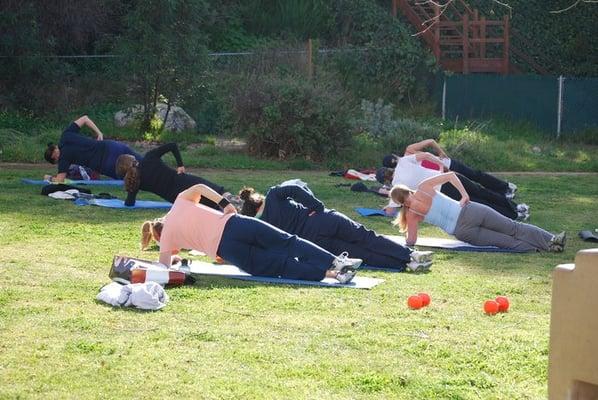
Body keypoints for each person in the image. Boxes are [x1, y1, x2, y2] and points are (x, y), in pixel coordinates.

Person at [155, 184, 363, 284]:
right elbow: (199, 188)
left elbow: (163, 268)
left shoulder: (166, 238)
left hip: (227, 249)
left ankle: (335, 275)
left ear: (160, 233)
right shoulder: (180, 201)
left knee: (278, 266)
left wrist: (172, 259)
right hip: (236, 224)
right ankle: (337, 262)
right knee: (289, 242)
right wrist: (225, 204)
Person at [238, 183, 433, 271]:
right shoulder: (273, 195)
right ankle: (409, 255)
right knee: (366, 237)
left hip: (314, 241)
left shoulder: (262, 225)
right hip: (323, 220)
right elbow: (296, 189)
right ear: (258, 199)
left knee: (361, 254)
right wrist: (316, 206)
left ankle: (405, 264)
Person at [389, 172, 566, 252]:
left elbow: (412, 241)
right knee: (513, 228)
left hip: (463, 230)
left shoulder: (411, 214)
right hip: (470, 211)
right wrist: (464, 195)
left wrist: (405, 239)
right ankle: (551, 240)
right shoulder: (423, 187)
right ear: (407, 189)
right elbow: (451, 175)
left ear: (399, 202)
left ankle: (545, 246)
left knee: (507, 241)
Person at [377, 151, 528, 221]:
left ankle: (513, 215)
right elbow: (427, 156)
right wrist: (443, 167)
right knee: (482, 192)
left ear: (386, 181)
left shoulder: (397, 185)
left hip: (444, 190)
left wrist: (384, 206)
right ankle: (516, 207)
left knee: (477, 202)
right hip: (449, 176)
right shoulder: (404, 161)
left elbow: (391, 210)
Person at [383, 138, 518, 199]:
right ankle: (501, 195)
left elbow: (430, 141)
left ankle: (505, 187)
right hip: (442, 177)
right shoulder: (405, 168)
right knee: (474, 188)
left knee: (476, 176)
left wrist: (440, 152)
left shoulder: (410, 151)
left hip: (448, 166)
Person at [115, 142, 232, 210]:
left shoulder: (135, 181)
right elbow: (172, 145)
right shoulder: (149, 157)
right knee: (219, 194)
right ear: (133, 159)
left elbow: (129, 203)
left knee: (212, 208)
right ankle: (242, 204)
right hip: (184, 182)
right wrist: (180, 165)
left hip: (178, 198)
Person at [44, 115, 142, 182]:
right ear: (55, 147)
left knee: (131, 177)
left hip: (105, 163)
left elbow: (60, 180)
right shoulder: (66, 135)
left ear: (54, 158)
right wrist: (99, 133)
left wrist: (49, 178)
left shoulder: (63, 158)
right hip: (111, 146)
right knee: (141, 161)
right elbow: (85, 118)